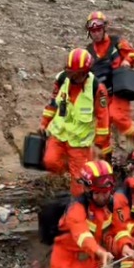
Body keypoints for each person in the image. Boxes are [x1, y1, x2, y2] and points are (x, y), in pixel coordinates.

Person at [40, 48, 112, 196]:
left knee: (79, 182)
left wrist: (99, 145)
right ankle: (66, 173)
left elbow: (103, 119)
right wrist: (44, 122)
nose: (71, 75)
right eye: (69, 71)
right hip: (59, 135)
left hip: (80, 143)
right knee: (50, 162)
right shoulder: (62, 79)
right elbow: (53, 104)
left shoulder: (97, 89)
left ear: (84, 73)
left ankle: (78, 203)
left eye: (74, 73)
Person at [85, 11, 134, 143]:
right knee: (101, 127)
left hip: (118, 90)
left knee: (117, 116)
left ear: (104, 28)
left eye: (98, 29)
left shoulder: (116, 42)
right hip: (101, 95)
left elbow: (133, 53)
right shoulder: (88, 51)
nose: (96, 33)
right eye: (93, 31)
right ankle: (105, 153)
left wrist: (127, 61)